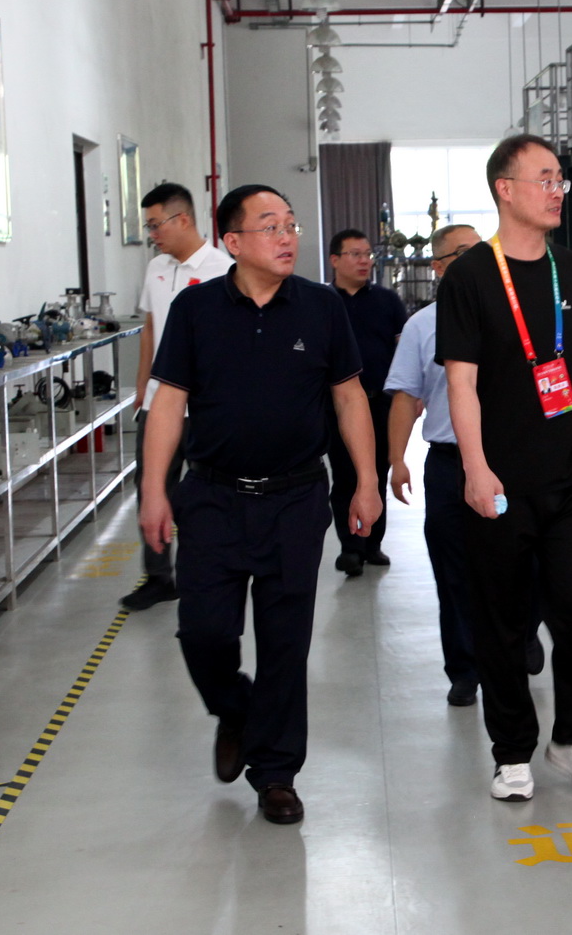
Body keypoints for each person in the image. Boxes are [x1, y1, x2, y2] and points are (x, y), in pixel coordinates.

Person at [139, 184, 382, 827]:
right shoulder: (195, 310)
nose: (286, 237)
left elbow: (350, 398)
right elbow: (168, 403)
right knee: (204, 632)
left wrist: (366, 480)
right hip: (212, 497)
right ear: (233, 241)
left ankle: (276, 774)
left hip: (295, 498)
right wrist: (154, 489)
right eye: (270, 226)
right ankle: (235, 709)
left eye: (291, 225)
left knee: (284, 644)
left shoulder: (322, 308)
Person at [437, 134, 572, 803]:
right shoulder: (470, 277)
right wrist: (475, 468)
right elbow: (461, 382)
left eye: (559, 179)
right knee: (502, 618)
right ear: (504, 189)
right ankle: (511, 750)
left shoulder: (567, 265)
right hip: (502, 478)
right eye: (544, 178)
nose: (556, 190)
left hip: (569, 473)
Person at [121, 182, 234, 612]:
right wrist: (141, 385)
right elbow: (151, 328)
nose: (152, 234)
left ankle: (207, 570)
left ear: (182, 219)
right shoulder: (156, 268)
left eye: (156, 225)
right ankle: (158, 577)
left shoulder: (223, 269)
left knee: (206, 492)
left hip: (204, 407)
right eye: (148, 226)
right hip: (158, 403)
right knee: (152, 488)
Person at [386, 224, 483, 706]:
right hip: (448, 464)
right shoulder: (423, 326)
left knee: (525, 560)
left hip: (509, 460)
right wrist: (397, 460)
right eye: (464, 253)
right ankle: (464, 669)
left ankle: (523, 631)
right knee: (453, 571)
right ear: (438, 267)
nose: (477, 260)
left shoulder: (512, 312)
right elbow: (407, 396)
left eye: (482, 250)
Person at [326, 228, 408, 577]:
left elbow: (403, 349)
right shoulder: (323, 301)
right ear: (335, 260)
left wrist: (409, 395)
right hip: (337, 406)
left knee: (377, 472)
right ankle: (351, 547)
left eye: (367, 255)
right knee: (345, 475)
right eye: (355, 255)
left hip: (381, 403)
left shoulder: (387, 301)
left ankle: (373, 543)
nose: (365, 261)